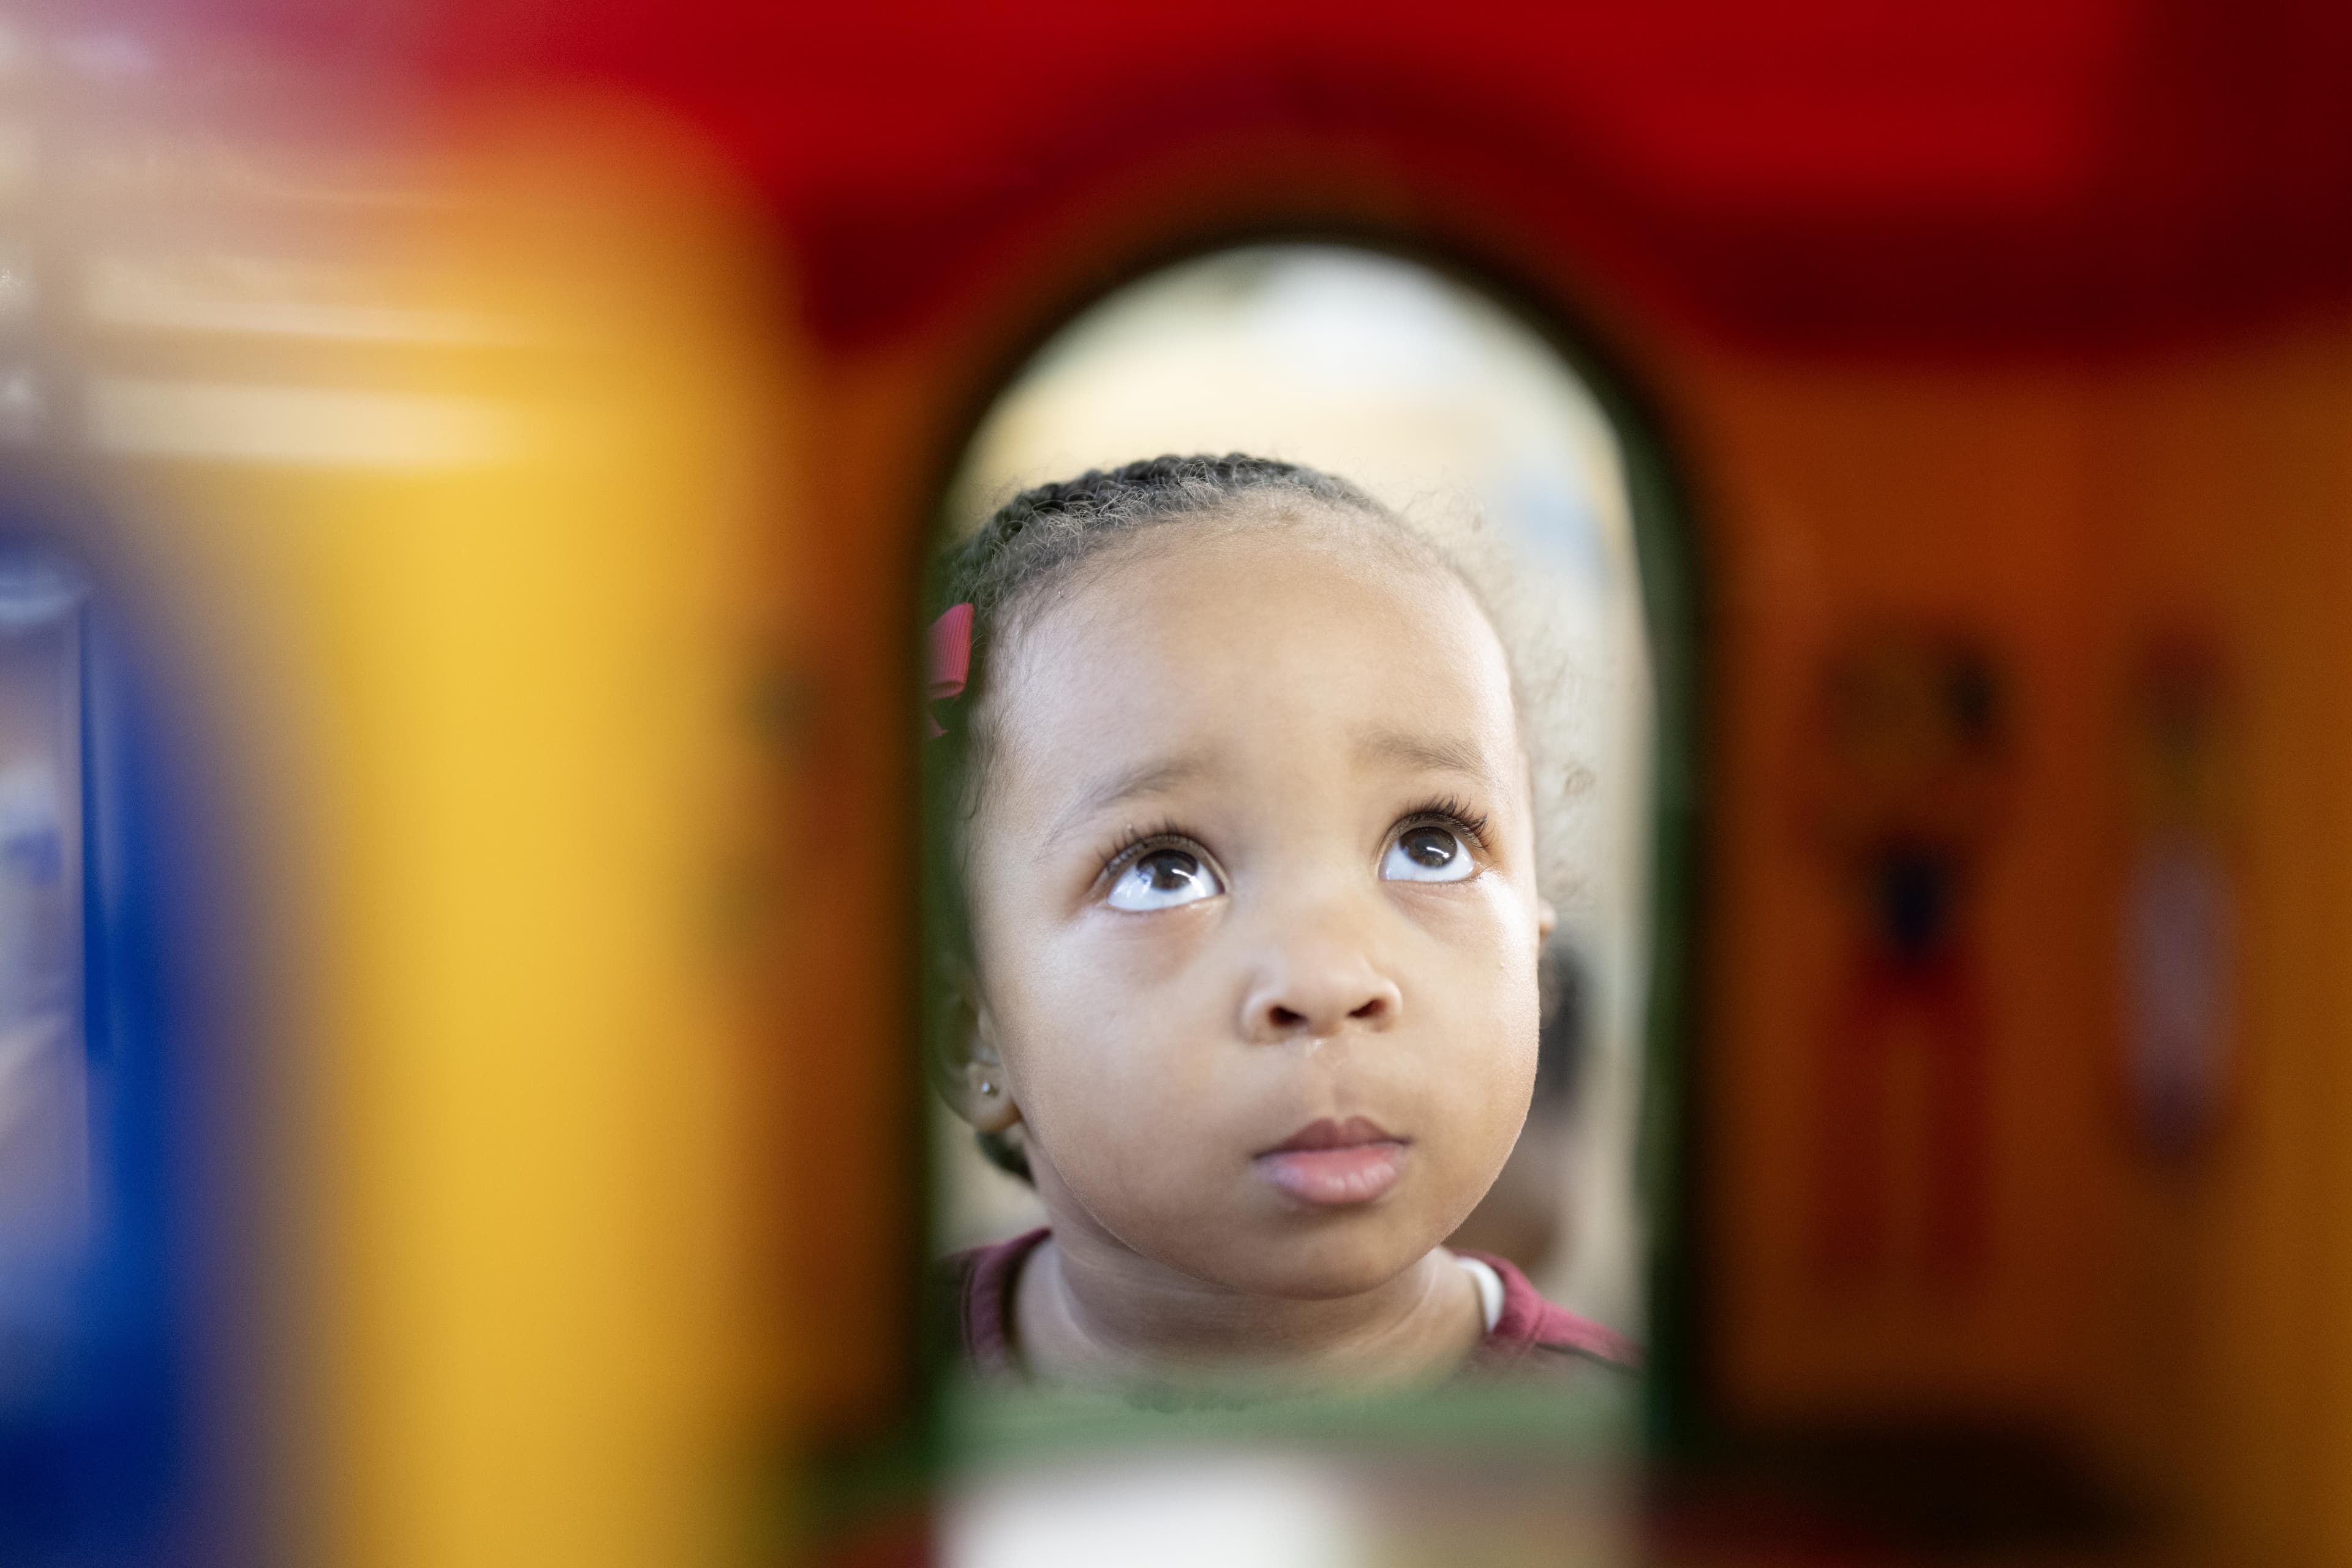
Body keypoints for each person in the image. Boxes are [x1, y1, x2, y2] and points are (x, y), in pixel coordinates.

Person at [925, 454, 1634, 1396]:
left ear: (1534, 960)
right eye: (1162, 871)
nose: (1330, 981)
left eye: (1432, 845)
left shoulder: (1627, 1450)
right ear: (973, 1029)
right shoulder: (831, 1406)